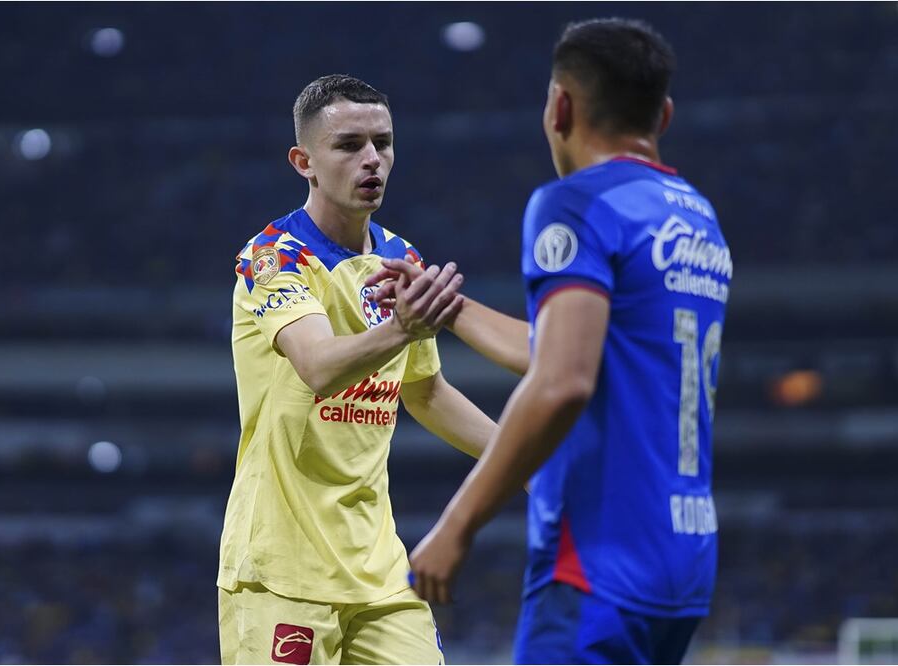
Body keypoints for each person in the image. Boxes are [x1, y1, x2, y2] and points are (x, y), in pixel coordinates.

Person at [368, 18, 732, 664]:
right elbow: (567, 347)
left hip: (598, 558)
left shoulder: (575, 203)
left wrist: (458, 523)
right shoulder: (695, 217)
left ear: (559, 107)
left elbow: (562, 380)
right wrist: (450, 309)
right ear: (664, 115)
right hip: (684, 553)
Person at [217, 74, 498, 665]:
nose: (372, 159)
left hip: (379, 572)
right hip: (282, 569)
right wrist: (401, 329)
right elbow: (318, 366)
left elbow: (426, 393)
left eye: (383, 143)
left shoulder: (400, 258)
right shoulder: (273, 258)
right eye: (349, 145)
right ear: (304, 163)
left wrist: (526, 463)